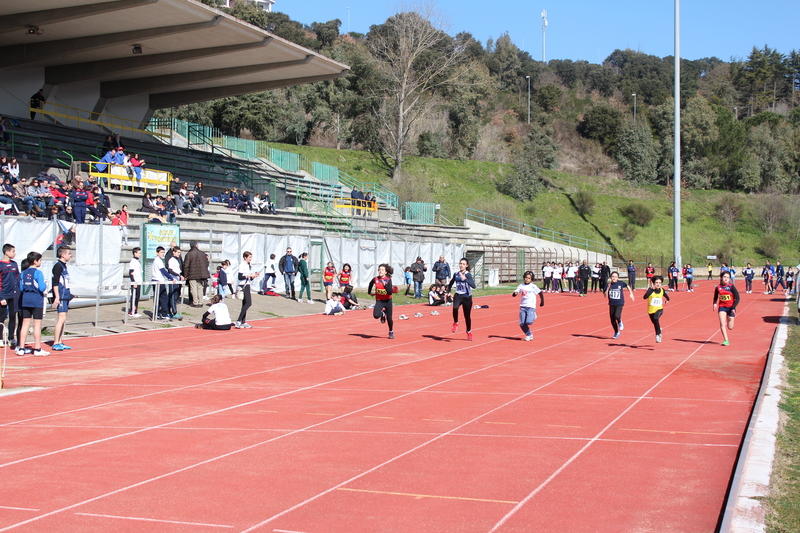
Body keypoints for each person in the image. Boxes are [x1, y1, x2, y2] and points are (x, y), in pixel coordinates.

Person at [17, 252, 49, 356]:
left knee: (25, 324)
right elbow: (42, 288)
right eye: (40, 260)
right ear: (35, 261)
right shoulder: (38, 273)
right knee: (37, 325)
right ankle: (38, 349)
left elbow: (21, 288)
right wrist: (45, 284)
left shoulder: (23, 273)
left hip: (25, 300)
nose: (41, 262)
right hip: (36, 301)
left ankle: (21, 348)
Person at [448, 258, 477, 341]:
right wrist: (447, 291)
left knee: (467, 316)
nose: (461, 265)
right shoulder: (456, 274)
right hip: (458, 295)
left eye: (463, 264)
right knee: (455, 307)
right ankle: (455, 323)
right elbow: (450, 284)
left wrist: (465, 279)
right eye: (460, 263)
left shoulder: (468, 274)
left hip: (467, 297)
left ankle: (469, 332)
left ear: (466, 265)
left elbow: (473, 286)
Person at [51, 246, 74, 351]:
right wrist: (57, 297)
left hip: (66, 295)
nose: (71, 255)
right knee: (61, 319)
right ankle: (55, 342)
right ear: (62, 255)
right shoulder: (58, 266)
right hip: (61, 295)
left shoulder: (64, 266)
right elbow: (55, 282)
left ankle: (60, 341)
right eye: (69, 253)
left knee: (64, 319)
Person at [512, 270, 545, 341]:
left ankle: (533, 315)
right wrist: (515, 293)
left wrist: (542, 301)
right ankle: (529, 334)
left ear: (531, 279)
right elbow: (516, 292)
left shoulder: (533, 286)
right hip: (523, 306)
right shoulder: (521, 286)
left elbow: (540, 293)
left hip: (531, 306)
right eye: (526, 277)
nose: (527, 279)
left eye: (529, 278)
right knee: (522, 323)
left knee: (529, 322)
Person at [0, 244, 20, 348]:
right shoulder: (0, 265)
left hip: (13, 295)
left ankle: (11, 338)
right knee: (2, 317)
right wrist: (1, 297)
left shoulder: (14, 264)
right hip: (3, 295)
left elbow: (17, 278)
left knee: (13, 316)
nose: (15, 253)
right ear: (6, 252)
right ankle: (0, 338)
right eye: (13, 251)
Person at [368, 264, 395, 339]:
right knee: (376, 315)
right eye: (379, 269)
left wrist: (385, 285)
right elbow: (370, 284)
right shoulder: (375, 279)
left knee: (389, 318)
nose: (380, 271)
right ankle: (382, 313)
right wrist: (369, 292)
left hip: (388, 301)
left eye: (382, 270)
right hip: (379, 301)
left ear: (386, 272)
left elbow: (390, 292)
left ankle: (391, 331)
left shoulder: (388, 280)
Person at [713, 271, 740, 347]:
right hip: (722, 307)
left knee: (730, 327)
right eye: (724, 277)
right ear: (721, 278)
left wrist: (733, 307)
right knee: (722, 322)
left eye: (727, 277)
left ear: (729, 279)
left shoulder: (731, 287)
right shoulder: (718, 287)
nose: (726, 279)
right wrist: (714, 303)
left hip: (731, 308)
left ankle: (729, 318)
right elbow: (715, 297)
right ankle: (726, 340)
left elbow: (737, 298)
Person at [604, 271, 634, 340]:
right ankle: (616, 332)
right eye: (613, 276)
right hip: (612, 303)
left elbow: (627, 286)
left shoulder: (621, 283)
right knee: (612, 320)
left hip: (619, 302)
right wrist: (608, 288)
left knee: (617, 315)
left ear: (618, 278)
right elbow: (605, 295)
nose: (614, 278)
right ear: (610, 277)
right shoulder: (608, 285)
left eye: (615, 277)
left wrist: (631, 293)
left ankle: (620, 322)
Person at [235, 251, 259, 329]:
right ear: (245, 257)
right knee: (248, 303)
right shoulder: (242, 265)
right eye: (249, 257)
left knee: (245, 304)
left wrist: (253, 276)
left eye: (251, 257)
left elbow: (249, 278)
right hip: (243, 285)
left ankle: (243, 321)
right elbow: (240, 277)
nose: (250, 259)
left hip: (247, 284)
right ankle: (238, 320)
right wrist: (249, 275)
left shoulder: (248, 265)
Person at [643, 275, 670, 344]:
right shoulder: (650, 290)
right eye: (656, 282)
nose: (658, 284)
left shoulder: (662, 290)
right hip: (651, 311)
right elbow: (645, 297)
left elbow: (667, 297)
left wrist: (667, 300)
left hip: (659, 309)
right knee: (655, 322)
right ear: (653, 283)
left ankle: (658, 335)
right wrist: (651, 289)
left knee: (655, 318)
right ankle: (659, 329)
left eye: (660, 283)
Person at [182, 241, 209, 308]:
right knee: (200, 288)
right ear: (196, 245)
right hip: (201, 274)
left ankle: (195, 302)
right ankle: (201, 302)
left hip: (192, 274)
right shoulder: (202, 254)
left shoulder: (189, 254)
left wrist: (185, 275)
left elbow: (186, 266)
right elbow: (206, 263)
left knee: (193, 288)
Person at [151, 246, 171, 320]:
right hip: (158, 281)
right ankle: (163, 314)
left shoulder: (157, 260)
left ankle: (158, 313)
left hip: (157, 280)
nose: (163, 254)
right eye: (161, 252)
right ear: (157, 253)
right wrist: (171, 278)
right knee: (163, 298)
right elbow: (163, 271)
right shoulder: (158, 260)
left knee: (158, 298)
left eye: (163, 252)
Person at [166, 246, 184, 319]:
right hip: (173, 280)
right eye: (178, 252)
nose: (179, 254)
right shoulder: (171, 260)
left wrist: (181, 276)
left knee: (174, 296)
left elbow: (177, 270)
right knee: (173, 296)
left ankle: (169, 311)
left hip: (177, 280)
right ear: (174, 252)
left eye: (180, 252)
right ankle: (174, 312)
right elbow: (170, 270)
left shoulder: (177, 260)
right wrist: (178, 275)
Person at [128, 247, 143, 318]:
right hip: (135, 282)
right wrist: (134, 282)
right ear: (135, 253)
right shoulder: (133, 262)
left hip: (139, 282)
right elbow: (131, 272)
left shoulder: (137, 261)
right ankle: (132, 311)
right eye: (139, 253)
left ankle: (135, 311)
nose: (140, 254)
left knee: (137, 297)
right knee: (134, 297)